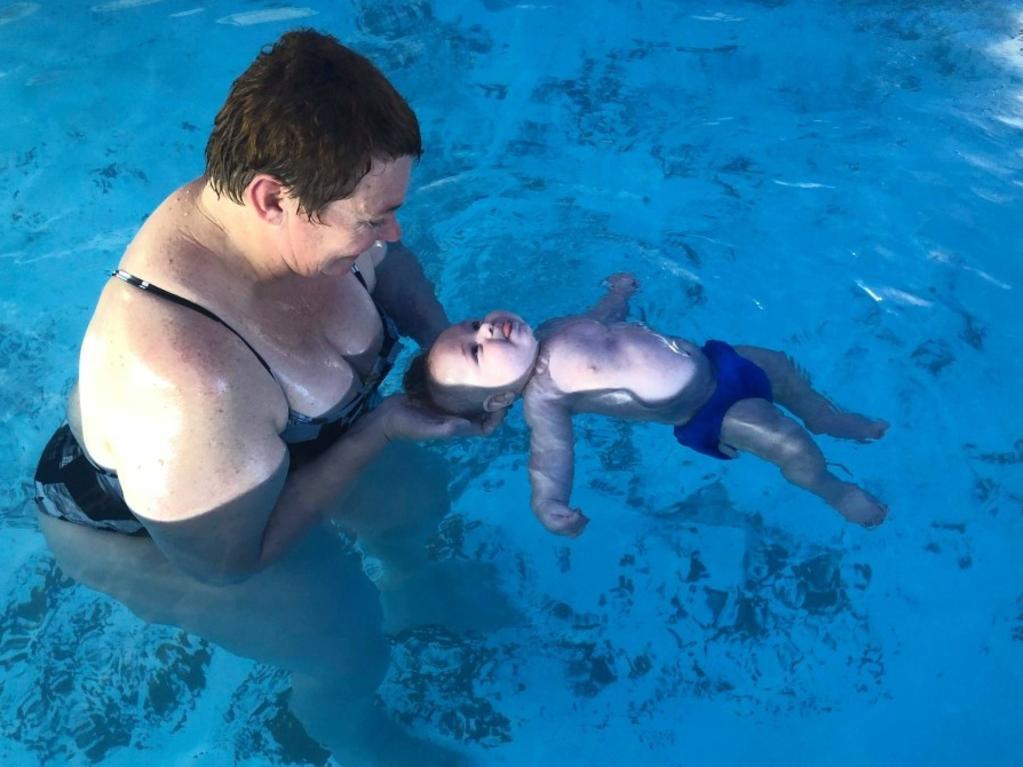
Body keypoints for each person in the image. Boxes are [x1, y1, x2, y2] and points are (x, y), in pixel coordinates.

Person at [33, 29, 501, 765]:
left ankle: (416, 580)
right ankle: (358, 739)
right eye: (371, 216)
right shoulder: (188, 377)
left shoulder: (279, 209)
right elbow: (227, 562)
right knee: (344, 638)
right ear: (271, 198)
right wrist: (378, 429)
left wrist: (443, 344)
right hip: (163, 523)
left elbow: (391, 264)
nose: (390, 230)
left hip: (262, 436)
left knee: (412, 500)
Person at [404, 273, 890, 536]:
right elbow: (551, 455)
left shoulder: (551, 328)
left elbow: (600, 321)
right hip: (708, 411)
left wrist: (617, 295)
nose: (485, 329)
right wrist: (549, 501)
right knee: (787, 442)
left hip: (718, 361)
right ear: (501, 398)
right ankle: (833, 489)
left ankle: (827, 415)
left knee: (782, 369)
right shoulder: (546, 396)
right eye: (475, 351)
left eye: (471, 324)